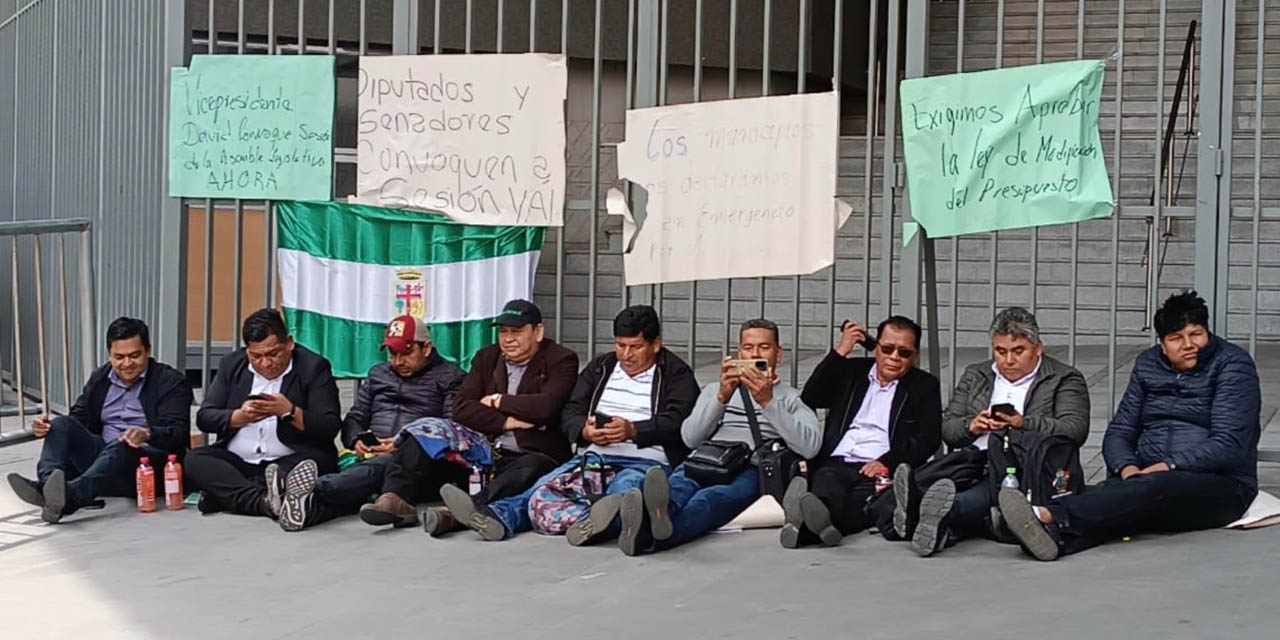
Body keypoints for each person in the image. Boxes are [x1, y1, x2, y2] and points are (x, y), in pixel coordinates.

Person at [1000, 291, 1261, 561]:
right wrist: (1127, 467)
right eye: (1176, 338)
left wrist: (1167, 466)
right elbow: (1120, 430)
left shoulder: (1232, 365)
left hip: (1222, 487)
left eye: (1196, 334)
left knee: (1144, 492)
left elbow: (1229, 443)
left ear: (1207, 332)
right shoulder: (1148, 364)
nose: (1188, 344)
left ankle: (1046, 514)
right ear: (1161, 343)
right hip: (1146, 479)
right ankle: (1054, 538)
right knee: (1121, 500)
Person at [440, 305, 699, 541]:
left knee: (624, 491)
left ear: (656, 344)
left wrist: (634, 430)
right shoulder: (602, 367)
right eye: (620, 345)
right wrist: (584, 431)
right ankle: (496, 518)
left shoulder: (676, 373)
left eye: (636, 347)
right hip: (594, 457)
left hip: (645, 460)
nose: (626, 355)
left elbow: (680, 423)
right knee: (541, 490)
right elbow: (571, 410)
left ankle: (604, 523)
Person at [579, 318, 821, 556]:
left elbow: (810, 447)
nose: (755, 354)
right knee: (675, 490)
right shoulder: (715, 389)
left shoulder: (790, 398)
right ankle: (645, 523)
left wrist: (768, 401)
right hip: (705, 457)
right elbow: (690, 438)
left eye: (764, 347)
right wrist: (721, 398)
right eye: (747, 348)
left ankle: (638, 533)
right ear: (738, 353)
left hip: (750, 466)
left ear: (778, 354)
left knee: (709, 500)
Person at [896, 307, 1090, 556]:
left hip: (1024, 467)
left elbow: (1074, 429)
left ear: (1038, 348)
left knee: (986, 492)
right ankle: (939, 524)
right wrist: (972, 425)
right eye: (1000, 351)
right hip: (972, 461)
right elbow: (948, 428)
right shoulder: (977, 374)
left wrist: (1023, 423)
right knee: (940, 481)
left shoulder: (1064, 378)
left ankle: (931, 512)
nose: (1008, 360)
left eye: (1018, 351)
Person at [270, 315, 466, 531]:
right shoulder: (378, 374)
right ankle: (305, 509)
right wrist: (356, 441)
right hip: (369, 458)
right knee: (359, 490)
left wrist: (401, 443)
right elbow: (355, 417)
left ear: (427, 348)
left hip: (419, 465)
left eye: (407, 353)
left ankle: (309, 488)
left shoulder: (451, 377)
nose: (398, 361)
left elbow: (450, 428)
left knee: (381, 468)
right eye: (393, 354)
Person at [412, 299, 579, 536]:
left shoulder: (561, 359)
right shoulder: (486, 357)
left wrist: (497, 400)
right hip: (484, 451)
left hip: (532, 453)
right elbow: (462, 407)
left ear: (538, 332)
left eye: (517, 331)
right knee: (426, 435)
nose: (508, 339)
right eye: (503, 332)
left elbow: (547, 407)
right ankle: (396, 500)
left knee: (531, 468)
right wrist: (507, 421)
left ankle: (459, 511)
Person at [6, 318, 192, 523]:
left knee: (120, 444)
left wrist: (147, 433)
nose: (127, 363)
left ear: (148, 350)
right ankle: (49, 484)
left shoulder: (171, 381)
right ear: (109, 355)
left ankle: (69, 498)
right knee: (61, 424)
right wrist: (46, 427)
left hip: (147, 466)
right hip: (103, 459)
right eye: (119, 357)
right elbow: (78, 418)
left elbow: (177, 432)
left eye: (135, 355)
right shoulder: (101, 377)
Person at [781, 316, 942, 548]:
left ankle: (802, 528)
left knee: (864, 504)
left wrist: (887, 462)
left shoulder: (924, 385)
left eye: (904, 352)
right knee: (828, 488)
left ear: (915, 355)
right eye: (887, 349)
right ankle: (816, 521)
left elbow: (929, 438)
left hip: (880, 468)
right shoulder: (852, 372)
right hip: (839, 460)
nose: (894, 357)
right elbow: (811, 397)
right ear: (876, 347)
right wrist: (840, 352)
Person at [185, 308, 342, 528]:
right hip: (240, 460)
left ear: (289, 343)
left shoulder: (313, 367)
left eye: (274, 353)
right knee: (196, 460)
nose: (266, 363)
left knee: (312, 465)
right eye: (257, 356)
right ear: (247, 351)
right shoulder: (232, 364)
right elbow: (205, 417)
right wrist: (239, 417)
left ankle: (229, 496)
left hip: (290, 458)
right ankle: (265, 502)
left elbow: (329, 427)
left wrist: (289, 412)